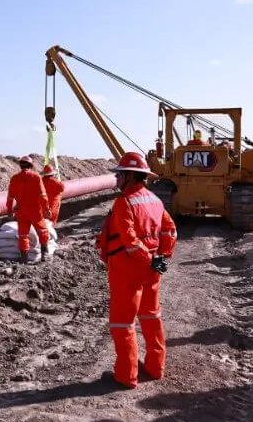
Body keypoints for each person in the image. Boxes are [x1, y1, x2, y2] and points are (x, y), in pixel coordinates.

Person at [95, 152, 177, 388]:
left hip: (127, 272)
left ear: (131, 176)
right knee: (151, 318)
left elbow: (130, 241)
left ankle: (126, 376)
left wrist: (149, 258)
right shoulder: (155, 200)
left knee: (123, 324)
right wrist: (161, 256)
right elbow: (170, 230)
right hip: (150, 272)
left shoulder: (124, 202)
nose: (117, 179)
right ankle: (155, 367)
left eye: (120, 174)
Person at [6, 155, 52, 264]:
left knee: (23, 235)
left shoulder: (14, 178)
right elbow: (43, 195)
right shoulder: (36, 177)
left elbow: (10, 198)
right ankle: (45, 254)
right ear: (31, 165)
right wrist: (46, 209)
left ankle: (24, 258)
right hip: (35, 210)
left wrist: (9, 211)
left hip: (21, 212)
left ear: (20, 165)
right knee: (43, 231)